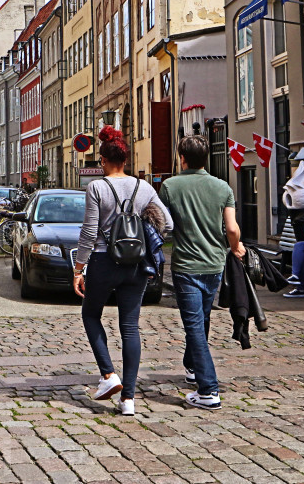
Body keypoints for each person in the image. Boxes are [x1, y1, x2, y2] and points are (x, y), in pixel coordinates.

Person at [73, 127, 170, 417]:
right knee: (130, 327)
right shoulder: (145, 188)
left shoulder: (97, 187)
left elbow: (90, 231)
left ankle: (108, 375)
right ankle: (128, 398)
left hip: (104, 261)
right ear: (125, 160)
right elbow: (168, 224)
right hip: (137, 263)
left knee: (91, 314)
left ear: (103, 161)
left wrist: (79, 267)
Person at [159, 135, 245, 411]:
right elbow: (231, 228)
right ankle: (193, 367)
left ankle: (208, 390)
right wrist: (236, 247)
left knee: (195, 325)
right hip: (214, 264)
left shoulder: (170, 186)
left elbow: (162, 226)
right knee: (202, 318)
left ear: (182, 158)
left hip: (186, 265)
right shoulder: (222, 187)